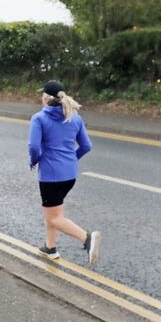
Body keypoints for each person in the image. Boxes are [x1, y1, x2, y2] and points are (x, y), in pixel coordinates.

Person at [28, 79, 101, 266]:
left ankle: (87, 238)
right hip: (70, 175)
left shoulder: (39, 119)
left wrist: (34, 161)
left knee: (54, 216)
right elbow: (86, 146)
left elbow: (34, 147)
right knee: (53, 212)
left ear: (45, 97)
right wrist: (71, 160)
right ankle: (50, 247)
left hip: (50, 176)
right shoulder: (74, 117)